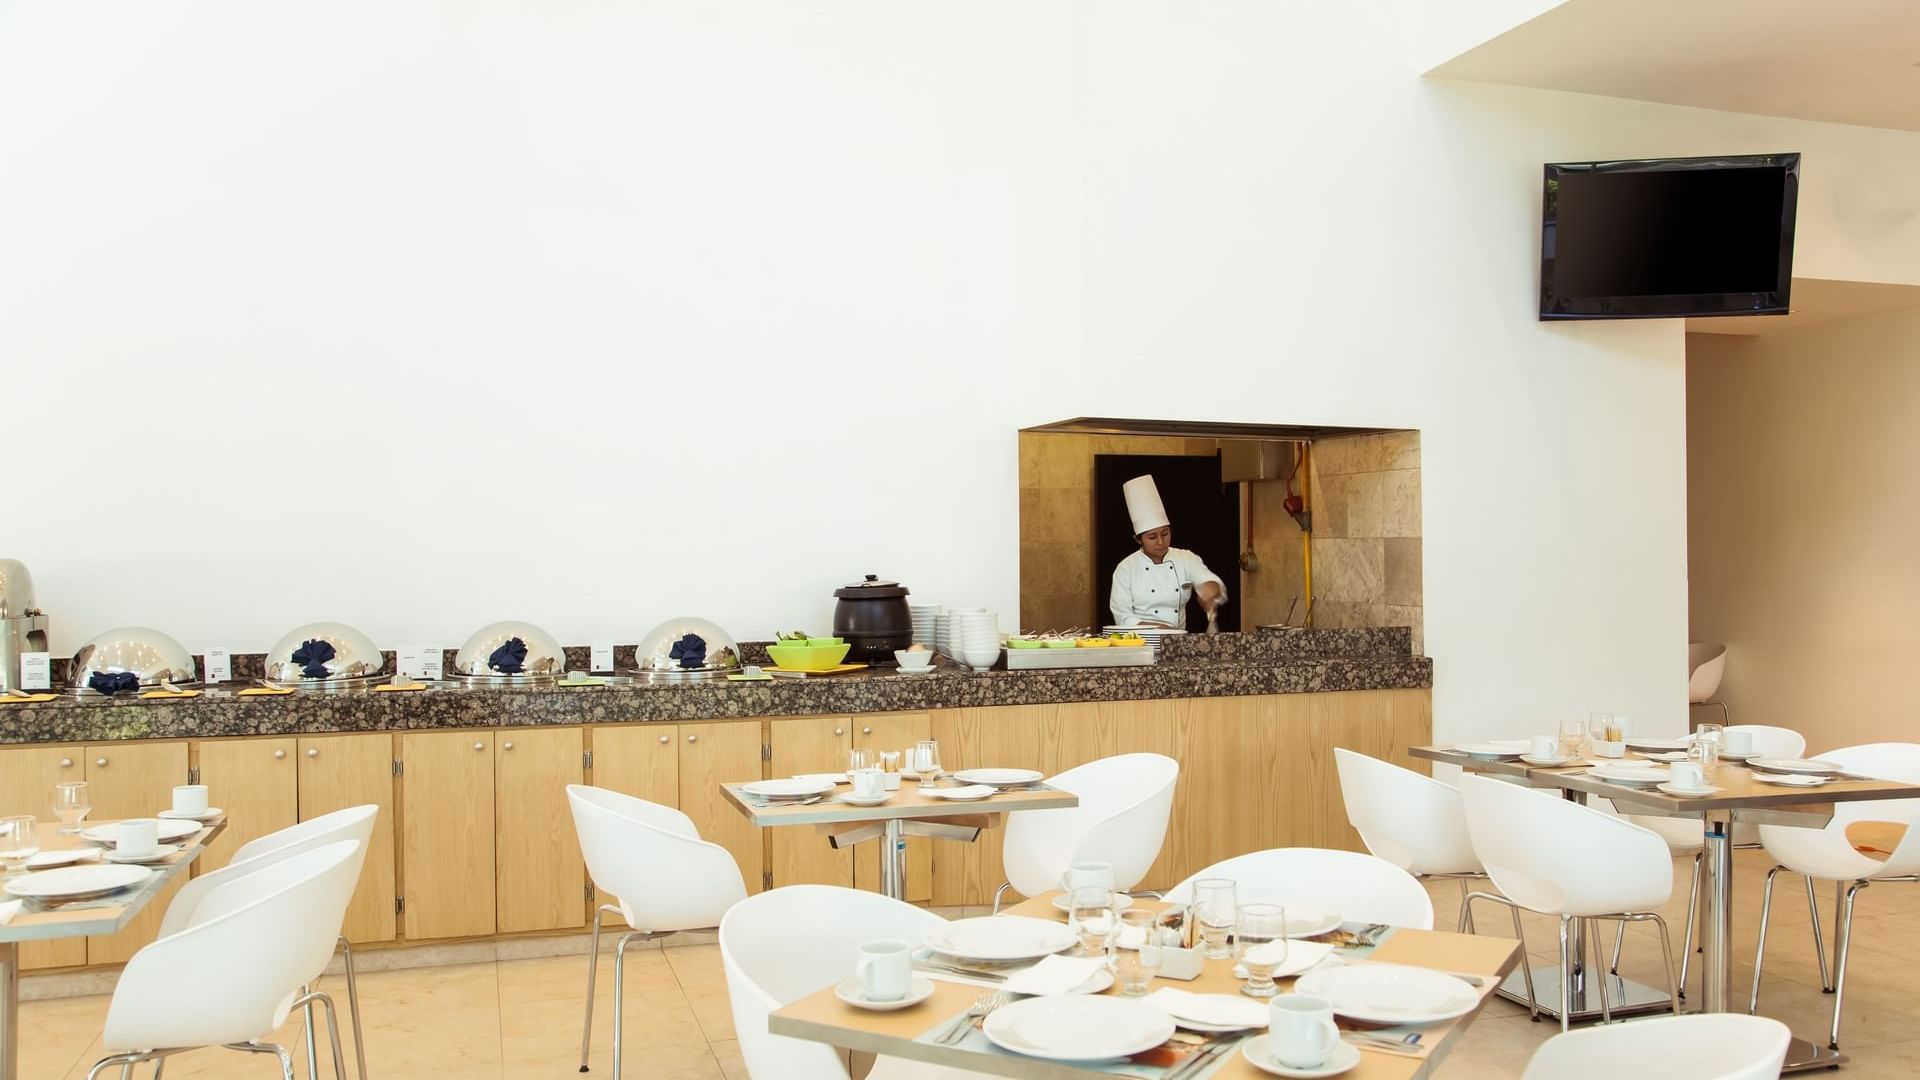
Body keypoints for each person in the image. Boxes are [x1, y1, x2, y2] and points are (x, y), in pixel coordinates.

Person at [1109, 474, 1227, 629]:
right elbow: (1122, 616)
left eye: (1165, 534)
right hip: (1140, 639)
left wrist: (1210, 590)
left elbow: (1208, 580)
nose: (1160, 541)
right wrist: (1157, 629)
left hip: (1177, 640)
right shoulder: (1126, 568)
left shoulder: (1185, 558)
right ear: (1138, 539)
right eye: (1152, 537)